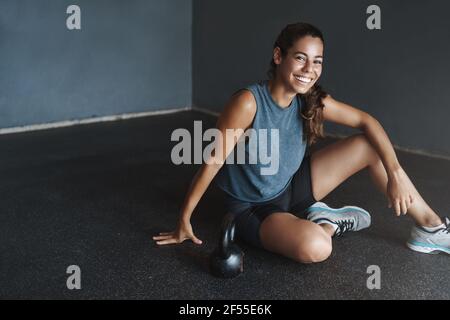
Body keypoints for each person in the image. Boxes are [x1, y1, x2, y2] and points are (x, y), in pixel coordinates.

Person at [153, 22, 449, 262]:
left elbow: (366, 121)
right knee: (317, 248)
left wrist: (395, 171)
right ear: (279, 56)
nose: (309, 69)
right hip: (253, 208)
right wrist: (184, 219)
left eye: (317, 61)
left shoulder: (310, 100)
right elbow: (212, 161)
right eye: (300, 57)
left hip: (292, 186)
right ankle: (326, 224)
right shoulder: (248, 103)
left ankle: (430, 227)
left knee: (368, 146)